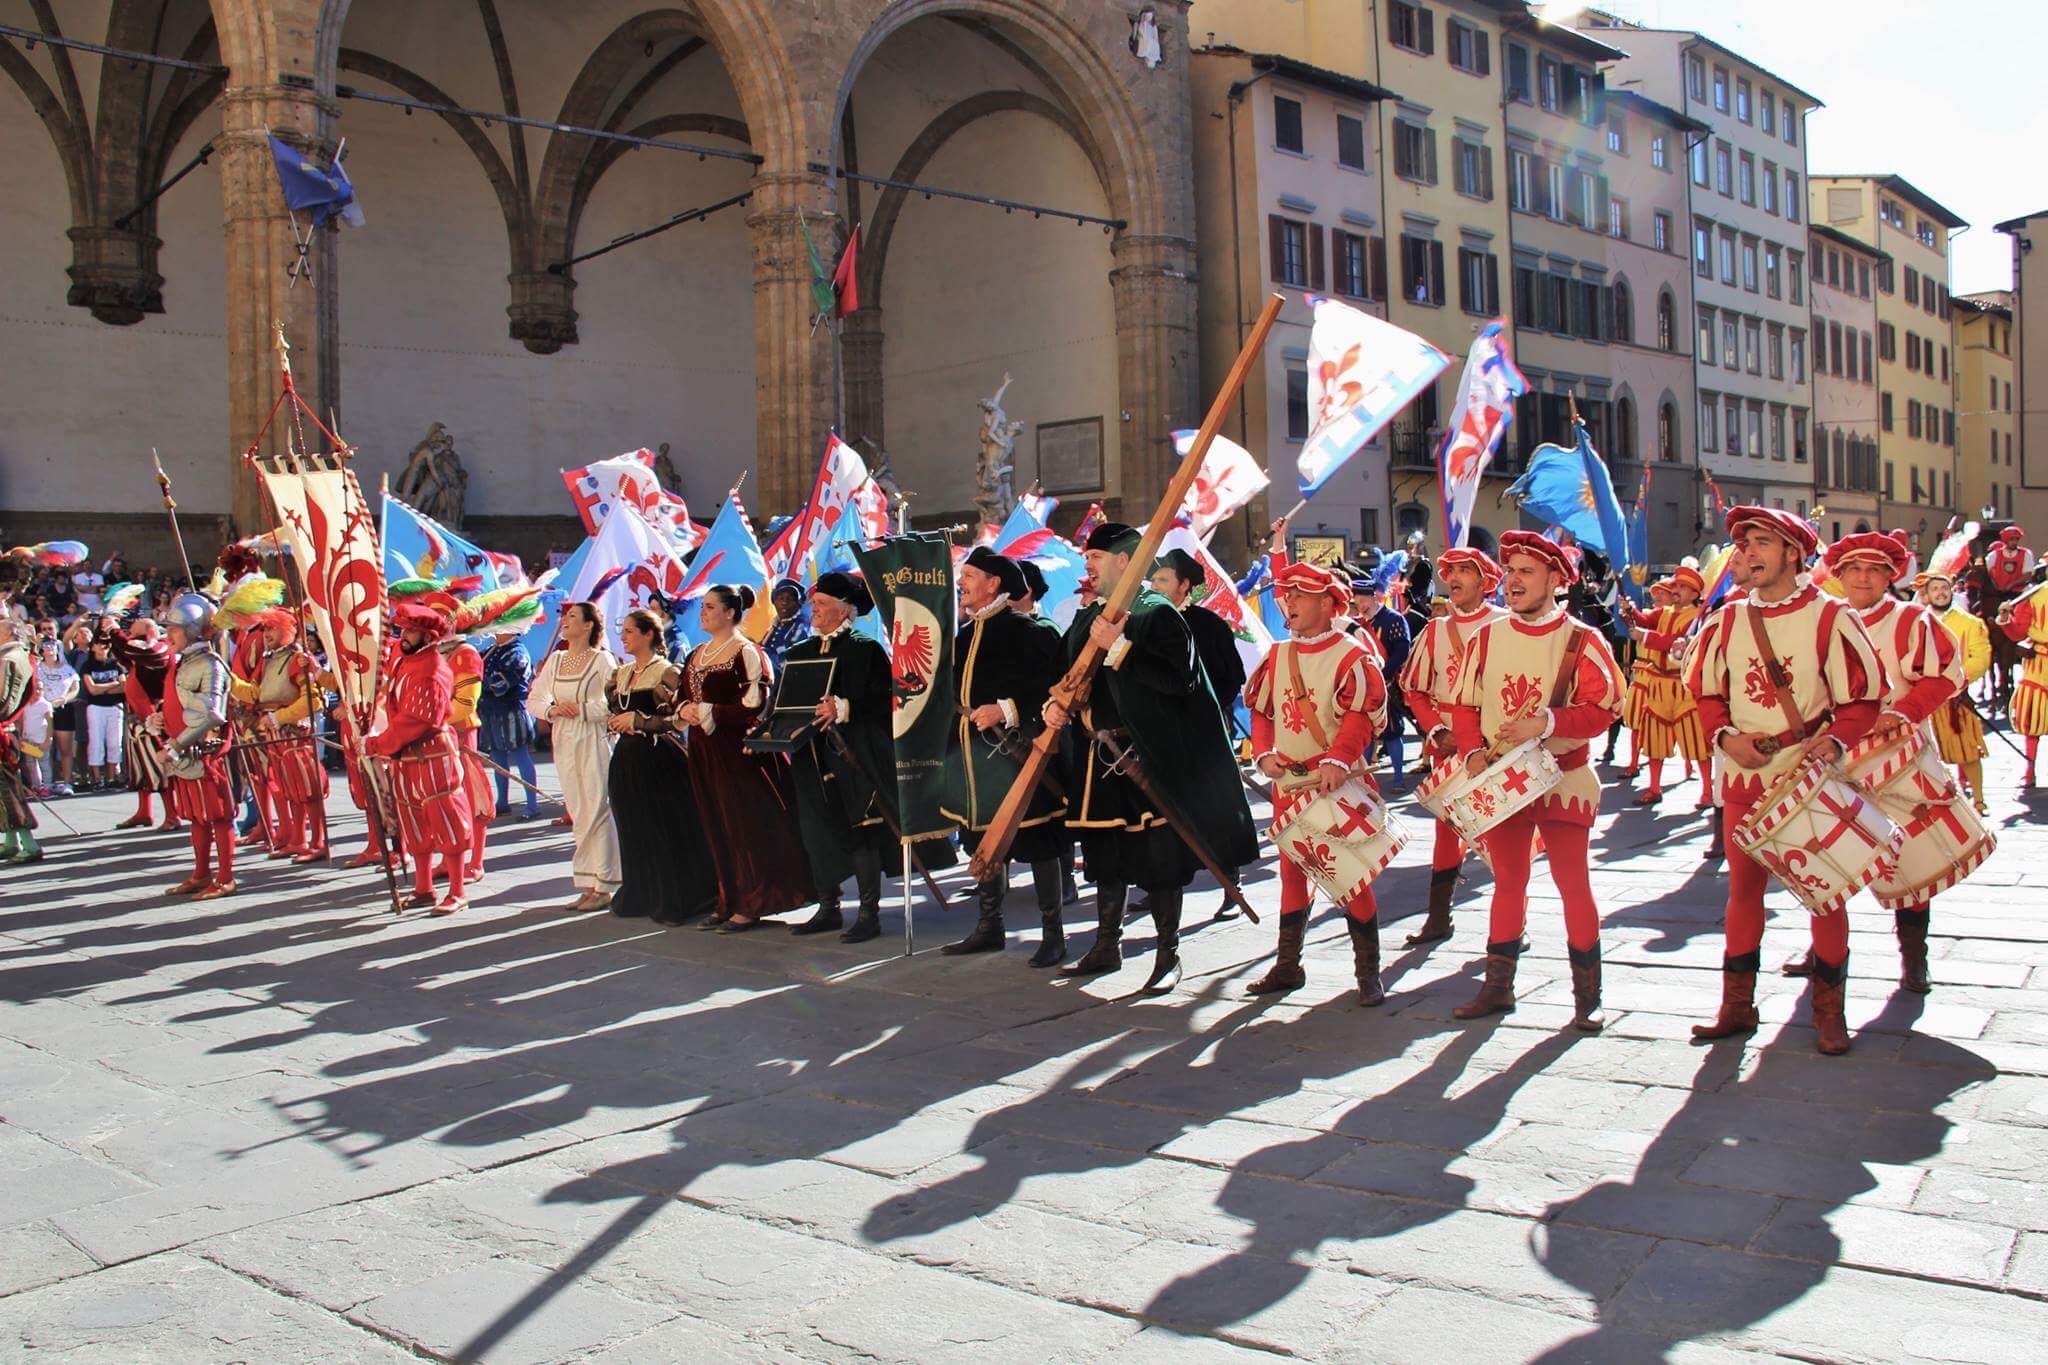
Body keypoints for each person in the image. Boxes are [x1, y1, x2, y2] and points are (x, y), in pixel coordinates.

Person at [1684, 507, 1886, 1055]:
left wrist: (1834, 740)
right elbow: (1705, 693)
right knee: (1742, 892)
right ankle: (1736, 1007)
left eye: (1762, 542)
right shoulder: (1726, 619)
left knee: (1825, 895)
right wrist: (1725, 738)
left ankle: (1828, 1013)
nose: (1748, 552)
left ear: (1793, 552)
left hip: (1810, 776)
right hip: (1744, 775)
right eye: (1744, 543)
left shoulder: (1831, 616)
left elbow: (1863, 699)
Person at [1043, 523, 1259, 994]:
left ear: (1124, 561)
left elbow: (1179, 681)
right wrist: (1055, 704)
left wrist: (1120, 648)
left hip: (1146, 754)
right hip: (1099, 754)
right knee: (1106, 854)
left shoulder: (1157, 613)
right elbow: (1067, 674)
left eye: (1096, 557)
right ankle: (1106, 945)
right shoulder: (1088, 615)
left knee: (1159, 859)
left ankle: (1168, 954)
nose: (1088, 566)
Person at [1446, 531, 1626, 1031]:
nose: (1514, 580)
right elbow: (1464, 704)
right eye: (1512, 571)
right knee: (1509, 881)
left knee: (1573, 885)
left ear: (1555, 578)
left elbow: (1604, 709)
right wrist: (1473, 751)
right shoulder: (1487, 636)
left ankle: (1588, 997)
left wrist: (1545, 724)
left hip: (1562, 778)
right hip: (1502, 781)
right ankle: (1497, 987)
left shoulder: (1581, 640)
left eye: (1527, 571)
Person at [1801, 534, 1966, 995]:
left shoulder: (1911, 620)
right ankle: (1823, 951)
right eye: (1854, 569)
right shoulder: (1823, 620)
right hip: (1838, 756)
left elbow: (1947, 676)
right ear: (1840, 574)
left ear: (1891, 576)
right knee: (1830, 855)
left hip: (1899, 758)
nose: (1863, 578)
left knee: (1914, 860)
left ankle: (1915, 957)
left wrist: (1904, 711)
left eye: (1874, 570)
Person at [1243, 560, 1390, 1004]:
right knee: (1292, 873)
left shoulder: (1351, 655)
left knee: (1349, 876)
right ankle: (1288, 966)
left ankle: (1368, 973)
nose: (1288, 602)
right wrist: (1265, 752)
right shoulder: (1278, 654)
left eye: (1299, 596)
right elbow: (1263, 711)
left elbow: (1360, 717)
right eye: (1287, 595)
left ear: (1328, 603)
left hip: (1335, 786)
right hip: (1290, 785)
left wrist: (1340, 759)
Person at [939, 547, 1070, 964]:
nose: (963, 582)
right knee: (982, 841)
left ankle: (1054, 934)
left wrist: (1006, 709)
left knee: (1037, 839)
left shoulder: (1027, 630)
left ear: (994, 583)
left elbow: (1054, 687)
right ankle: (989, 926)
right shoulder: (964, 633)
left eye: (971, 575)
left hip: (1017, 754)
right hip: (975, 758)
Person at [679, 584, 812, 930]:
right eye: (703, 607)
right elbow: (680, 694)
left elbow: (755, 704)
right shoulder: (697, 654)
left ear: (729, 613)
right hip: (702, 749)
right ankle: (727, 898)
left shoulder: (747, 652)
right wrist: (686, 709)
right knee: (715, 822)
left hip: (737, 751)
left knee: (743, 826)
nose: (703, 613)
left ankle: (751, 902)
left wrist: (709, 711)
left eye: (710, 607)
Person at [780, 572, 903, 942]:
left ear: (843, 610)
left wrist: (844, 707)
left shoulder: (865, 649)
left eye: (820, 603)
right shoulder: (799, 652)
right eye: (814, 603)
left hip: (854, 753)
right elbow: (786, 702)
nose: (812, 609)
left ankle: (868, 914)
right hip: (810, 754)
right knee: (817, 829)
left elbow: (887, 699)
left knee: (862, 829)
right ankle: (828, 907)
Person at [1397, 546, 1506, 946]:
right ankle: (1438, 919)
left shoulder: (1506, 625)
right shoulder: (1435, 630)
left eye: (1464, 570)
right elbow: (1415, 689)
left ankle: (1514, 921)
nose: (1454, 578)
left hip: (1495, 745)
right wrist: (1434, 731)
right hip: (1447, 744)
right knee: (1447, 830)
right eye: (1450, 571)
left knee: (1502, 833)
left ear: (1484, 580)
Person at [604, 607, 718, 924]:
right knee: (632, 826)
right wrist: (616, 722)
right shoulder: (620, 675)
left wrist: (640, 721)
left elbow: (679, 718)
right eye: (622, 630)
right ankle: (642, 892)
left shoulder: (667, 673)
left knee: (664, 828)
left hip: (658, 758)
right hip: (626, 758)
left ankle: (676, 896)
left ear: (649, 634)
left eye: (629, 631)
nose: (623, 636)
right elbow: (612, 710)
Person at [367, 604, 475, 915]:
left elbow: (419, 719)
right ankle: (424, 887)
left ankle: (457, 890)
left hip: (432, 755)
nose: (404, 635)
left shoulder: (432, 668)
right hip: (406, 759)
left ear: (427, 635)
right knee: (414, 824)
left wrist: (379, 743)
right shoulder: (407, 662)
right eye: (402, 629)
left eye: (411, 630)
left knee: (447, 820)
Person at [526, 601, 620, 911]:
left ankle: (606, 884)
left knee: (598, 808)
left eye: (573, 617)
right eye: (565, 616)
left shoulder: (602, 660)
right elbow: (535, 699)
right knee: (578, 810)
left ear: (589, 625)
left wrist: (581, 710)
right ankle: (587, 882)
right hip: (564, 737)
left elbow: (613, 703)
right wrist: (552, 710)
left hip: (593, 738)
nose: (565, 621)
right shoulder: (556, 659)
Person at [231, 608, 330, 863]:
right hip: (275, 734)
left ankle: (318, 841)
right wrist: (229, 679)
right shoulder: (269, 659)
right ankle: (298, 839)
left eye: (272, 628)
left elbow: (314, 701)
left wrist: (279, 717)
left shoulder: (298, 659)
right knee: (290, 789)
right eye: (264, 629)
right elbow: (257, 694)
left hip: (294, 733)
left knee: (308, 789)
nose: (267, 634)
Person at [158, 593, 237, 899]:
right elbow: (181, 704)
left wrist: (176, 745)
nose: (168, 635)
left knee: (218, 816)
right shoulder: (184, 663)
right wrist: (160, 718)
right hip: (186, 755)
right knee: (197, 816)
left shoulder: (211, 665)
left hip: (206, 755)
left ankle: (226, 877)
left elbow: (212, 714)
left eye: (173, 630)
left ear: (190, 630)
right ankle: (202, 873)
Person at [1624, 565, 1711, 807]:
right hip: (1657, 686)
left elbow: (1675, 642)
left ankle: (1707, 789)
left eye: (1682, 587)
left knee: (1696, 741)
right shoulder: (1664, 613)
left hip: (1682, 686)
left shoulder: (1697, 619)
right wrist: (1629, 611)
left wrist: (1646, 636)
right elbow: (1644, 621)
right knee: (1654, 739)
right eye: (1675, 586)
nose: (1676, 590)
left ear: (1694, 594)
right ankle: (1653, 787)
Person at [1148, 548, 1246, 730]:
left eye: (1162, 580)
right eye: (1153, 580)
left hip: (1204, 729)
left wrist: (1203, 709)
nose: (1154, 586)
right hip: (1156, 732)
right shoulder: (1144, 624)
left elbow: (1234, 677)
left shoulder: (1211, 625)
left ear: (1184, 585)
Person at [1921, 569, 1991, 814]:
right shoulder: (1917, 622)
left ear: (1952, 591)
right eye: (1935, 589)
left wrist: (1956, 681)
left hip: (1957, 697)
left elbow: (1980, 658)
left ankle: (1979, 799)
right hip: (1926, 700)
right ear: (1926, 595)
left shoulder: (1970, 623)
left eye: (1944, 588)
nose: (1941, 593)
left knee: (1969, 750)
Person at [111, 617, 175, 829]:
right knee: (142, 770)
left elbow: (143, 651)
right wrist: (110, 630)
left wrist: (117, 633)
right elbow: (122, 650)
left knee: (161, 769)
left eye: (135, 635)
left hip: (155, 717)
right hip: (138, 719)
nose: (130, 639)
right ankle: (144, 812)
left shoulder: (159, 649)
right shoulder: (139, 652)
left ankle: (172, 815)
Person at [1354, 570, 1412, 789]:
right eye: (1357, 601)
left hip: (1387, 684)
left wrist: (1384, 674)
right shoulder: (1357, 625)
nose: (1361, 605)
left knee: (1392, 732)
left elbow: (1401, 650)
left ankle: (1398, 777)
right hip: (1365, 686)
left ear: (1373, 597)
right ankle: (1363, 780)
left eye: (1364, 599)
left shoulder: (1393, 620)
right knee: (1365, 734)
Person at [480, 628, 540, 819]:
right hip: (491, 711)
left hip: (512, 710)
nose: (494, 631)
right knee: (497, 756)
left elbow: (500, 684)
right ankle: (502, 802)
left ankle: (532, 805)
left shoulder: (517, 652)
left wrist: (474, 679)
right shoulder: (492, 650)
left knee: (520, 754)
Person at [1996, 575, 2048, 788]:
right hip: (2038, 662)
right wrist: (2006, 617)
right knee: (2031, 716)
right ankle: (2029, 770)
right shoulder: (2033, 595)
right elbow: (2018, 633)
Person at [0, 621, 41, 864]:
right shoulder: (22, 656)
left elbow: (3, 700)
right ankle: (11, 841)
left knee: (8, 791)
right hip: (8, 729)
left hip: (3, 731)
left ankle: (29, 843)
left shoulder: (9, 660)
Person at [33, 638, 77, 794]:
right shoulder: (37, 668)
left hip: (63, 709)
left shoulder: (68, 669)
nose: (50, 649)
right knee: (43, 748)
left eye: (53, 645)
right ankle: (46, 783)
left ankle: (66, 782)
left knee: (65, 748)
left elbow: (75, 687)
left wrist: (65, 698)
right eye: (46, 646)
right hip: (41, 711)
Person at [762, 577, 810, 673]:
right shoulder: (774, 626)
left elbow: (792, 657)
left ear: (798, 603)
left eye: (790, 599)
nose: (784, 603)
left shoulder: (800, 626)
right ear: (774, 601)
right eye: (780, 598)